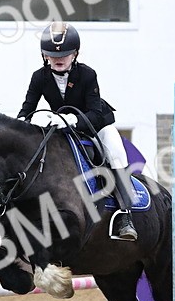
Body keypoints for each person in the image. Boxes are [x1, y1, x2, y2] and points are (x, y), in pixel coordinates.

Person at [18, 22, 137, 242]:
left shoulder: (88, 75)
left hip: (94, 124)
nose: (58, 59)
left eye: (65, 54)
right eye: (52, 55)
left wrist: (71, 119)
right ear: (44, 56)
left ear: (75, 54)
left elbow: (93, 112)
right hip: (61, 125)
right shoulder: (39, 77)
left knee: (116, 150)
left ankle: (125, 216)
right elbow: (26, 110)